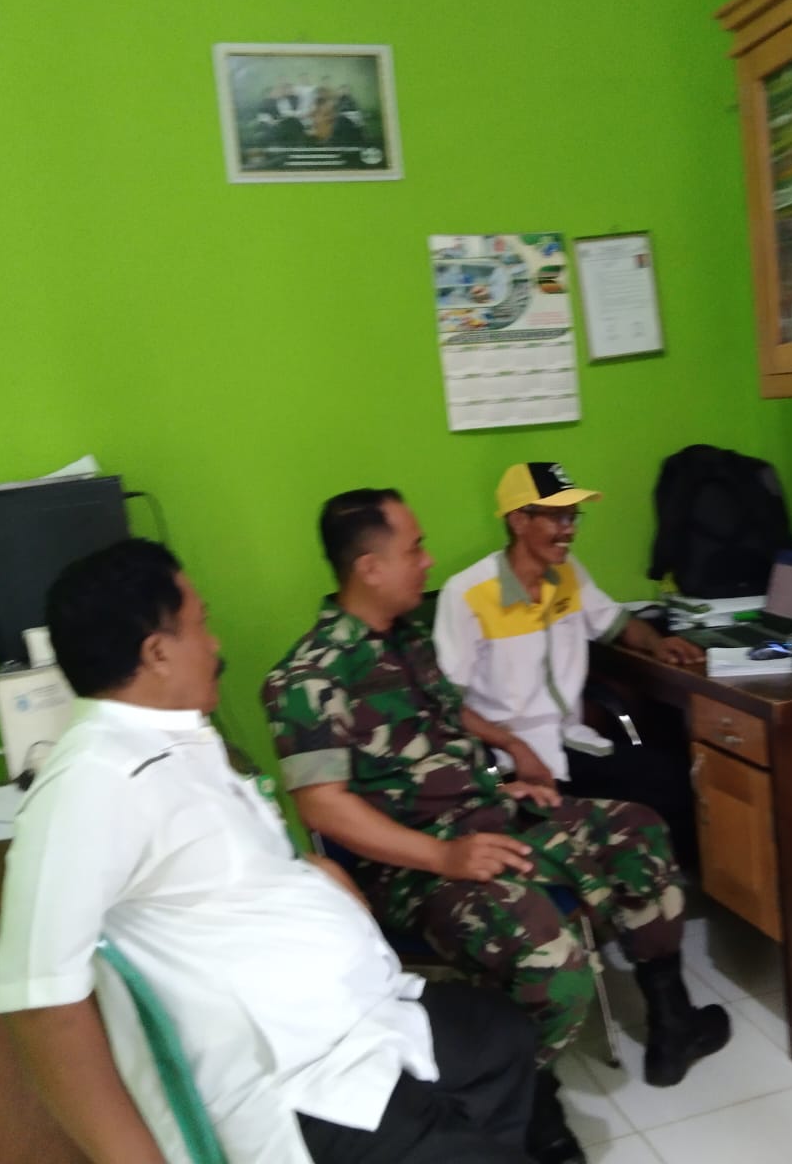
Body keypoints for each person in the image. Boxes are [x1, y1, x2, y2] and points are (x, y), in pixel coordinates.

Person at [0, 538, 538, 1164]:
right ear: (158, 653)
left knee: (500, 1035)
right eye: (202, 626)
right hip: (303, 1080)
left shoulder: (176, 742)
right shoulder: (91, 783)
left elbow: (211, 872)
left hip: (361, 1017)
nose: (216, 644)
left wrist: (312, 875)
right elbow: (42, 1006)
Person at [262, 490, 731, 1164]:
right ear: (369, 567)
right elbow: (322, 807)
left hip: (487, 813)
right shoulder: (309, 677)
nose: (428, 561)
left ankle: (672, 1020)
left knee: (639, 831)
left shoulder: (407, 638)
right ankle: (530, 1099)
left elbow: (445, 719)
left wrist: (506, 761)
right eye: (414, 549)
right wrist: (444, 857)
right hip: (414, 863)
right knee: (550, 958)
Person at [433, 462, 704, 868]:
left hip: (569, 742)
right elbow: (447, 704)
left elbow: (616, 623)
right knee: (575, 833)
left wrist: (657, 643)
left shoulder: (567, 574)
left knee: (673, 781)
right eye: (557, 517)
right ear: (519, 520)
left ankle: (665, 890)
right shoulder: (467, 594)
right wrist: (514, 746)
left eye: (573, 517)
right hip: (505, 757)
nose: (569, 530)